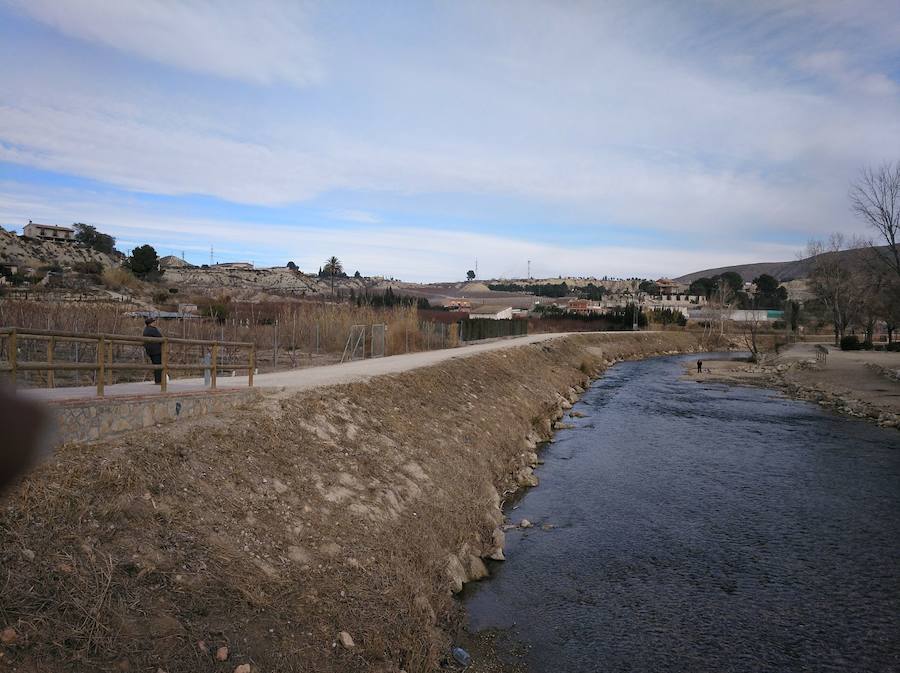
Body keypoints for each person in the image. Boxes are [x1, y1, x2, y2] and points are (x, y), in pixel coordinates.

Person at [143, 317, 163, 384]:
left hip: (150, 351)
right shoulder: (153, 330)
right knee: (158, 365)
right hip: (156, 350)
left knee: (155, 365)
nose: (155, 323)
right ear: (150, 323)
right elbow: (160, 338)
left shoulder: (145, 330)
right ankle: (159, 381)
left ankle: (158, 380)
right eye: (153, 322)